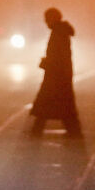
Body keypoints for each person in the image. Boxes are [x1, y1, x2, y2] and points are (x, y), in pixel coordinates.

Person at [28, 7, 81, 138]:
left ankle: (38, 129)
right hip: (59, 74)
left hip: (56, 75)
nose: (45, 22)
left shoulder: (58, 32)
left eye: (47, 19)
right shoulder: (60, 31)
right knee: (63, 104)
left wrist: (46, 63)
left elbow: (58, 55)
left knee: (49, 103)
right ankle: (73, 131)